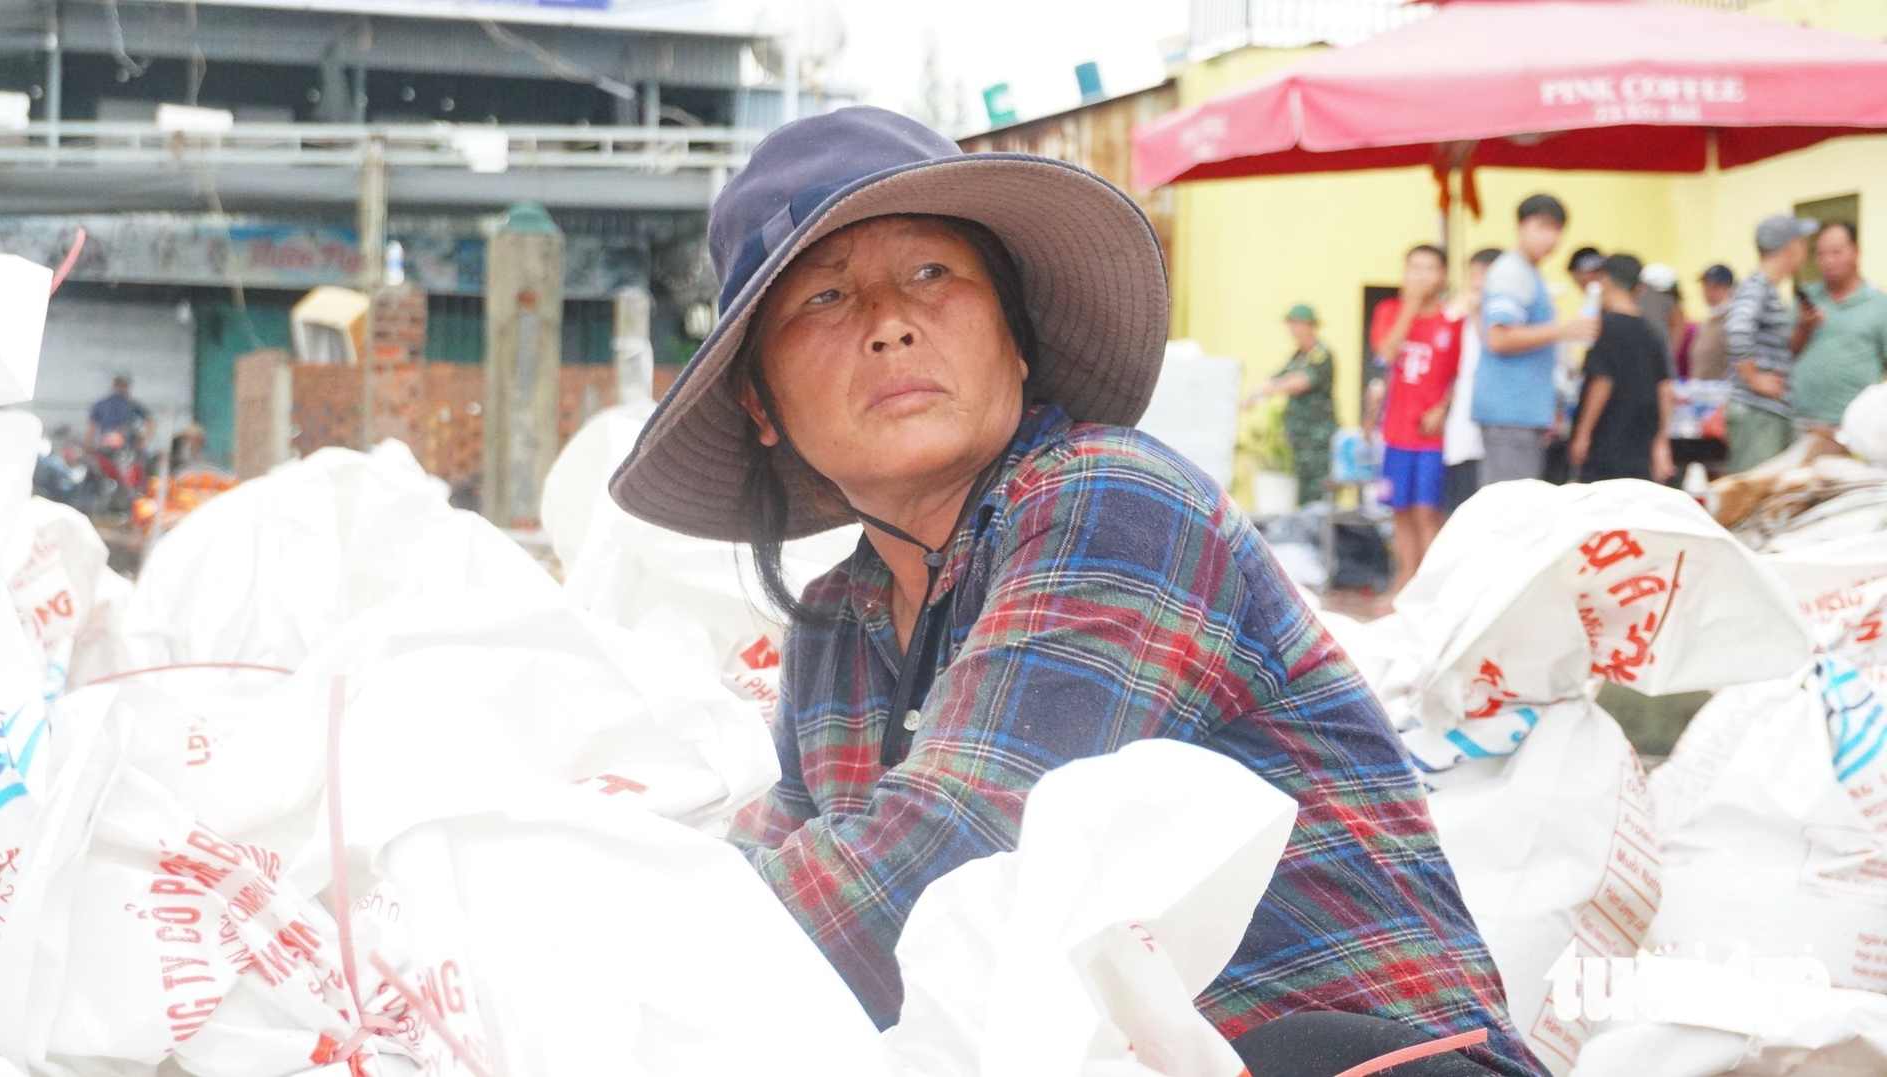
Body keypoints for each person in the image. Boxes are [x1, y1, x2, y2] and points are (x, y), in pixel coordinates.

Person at [609, 107, 1541, 1077]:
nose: (889, 324)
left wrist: (613, 955)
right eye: (825, 296)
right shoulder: (833, 628)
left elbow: (948, 858)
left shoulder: (1112, 501)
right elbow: (781, 891)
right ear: (760, 403)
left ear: (1015, 341)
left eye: (931, 274)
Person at [1474, 194, 1600, 485]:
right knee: (1512, 504)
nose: (1551, 238)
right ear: (1520, 226)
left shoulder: (1528, 272)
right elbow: (1498, 337)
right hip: (1509, 412)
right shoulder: (1512, 272)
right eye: (1542, 227)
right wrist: (1564, 330)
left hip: (1519, 413)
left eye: (1557, 230)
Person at [1369, 245, 1462, 592]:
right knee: (1400, 511)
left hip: (1433, 436)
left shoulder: (1453, 321)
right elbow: (1386, 353)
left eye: (1429, 268)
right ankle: (1404, 581)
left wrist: (1443, 407)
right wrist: (1409, 309)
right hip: (1396, 432)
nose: (1421, 276)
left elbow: (1462, 375)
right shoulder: (1388, 311)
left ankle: (1431, 588)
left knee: (1428, 512)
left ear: (1443, 276)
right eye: (1414, 268)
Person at [1567, 255, 1675, 484]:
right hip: (1641, 441)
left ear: (1605, 282)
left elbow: (1602, 382)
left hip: (1608, 439)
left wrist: (1583, 433)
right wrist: (1660, 440)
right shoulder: (1651, 332)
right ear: (1639, 289)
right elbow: (1665, 389)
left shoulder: (1604, 328)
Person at [1725, 214, 1818, 472]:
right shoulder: (1758, 287)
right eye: (1803, 243)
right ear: (1792, 247)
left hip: (1767, 412)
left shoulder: (1766, 289)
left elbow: (1775, 350)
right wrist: (1754, 378)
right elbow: (1737, 328)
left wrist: (1804, 328)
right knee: (1755, 488)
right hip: (1757, 412)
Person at [1790, 221, 1887, 436]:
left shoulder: (1880, 305)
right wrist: (1803, 328)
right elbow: (1785, 353)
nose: (1828, 261)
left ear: (1856, 252)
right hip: (1799, 421)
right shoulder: (1806, 297)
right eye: (1820, 254)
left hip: (1853, 426)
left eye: (1836, 253)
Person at [1243, 304, 1335, 504]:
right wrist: (1255, 394)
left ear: (1311, 326)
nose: (1293, 329)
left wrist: (1268, 390)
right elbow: (1278, 377)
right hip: (1300, 440)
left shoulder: (1320, 354)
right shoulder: (1298, 356)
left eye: (1298, 324)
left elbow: (1302, 381)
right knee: (1303, 496)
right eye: (1291, 324)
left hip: (1317, 441)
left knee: (1318, 496)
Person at [1443, 249, 1502, 512]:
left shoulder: (1504, 317)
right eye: (1473, 276)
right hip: (1460, 426)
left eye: (1484, 276)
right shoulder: (1456, 314)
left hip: (1492, 426)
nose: (1477, 283)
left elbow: (1493, 350)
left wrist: (1478, 312)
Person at [1688, 264, 1735, 382]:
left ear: (1729, 289)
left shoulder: (1734, 322)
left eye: (1716, 287)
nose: (1709, 292)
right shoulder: (1705, 324)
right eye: (1706, 287)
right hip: (1700, 388)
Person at [85, 373, 154, 452]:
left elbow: (91, 428)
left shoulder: (100, 404)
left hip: (106, 443)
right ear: (126, 386)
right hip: (126, 444)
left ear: (114, 385)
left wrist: (88, 446)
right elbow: (150, 421)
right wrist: (144, 440)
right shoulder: (131, 404)